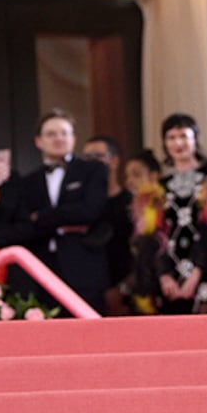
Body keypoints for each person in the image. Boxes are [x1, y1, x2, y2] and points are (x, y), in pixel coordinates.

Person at [0, 110, 108, 310]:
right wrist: (64, 221)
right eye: (51, 134)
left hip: (83, 268)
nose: (58, 138)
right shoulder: (28, 182)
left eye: (64, 133)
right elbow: (25, 224)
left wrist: (42, 216)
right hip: (40, 271)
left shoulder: (92, 170)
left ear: (73, 138)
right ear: (38, 141)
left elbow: (89, 211)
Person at [154, 113, 207, 314]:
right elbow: (156, 233)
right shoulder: (159, 187)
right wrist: (163, 274)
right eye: (171, 137)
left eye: (184, 136)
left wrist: (196, 273)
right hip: (171, 269)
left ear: (196, 138)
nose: (178, 143)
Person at [80, 135, 133, 316]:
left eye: (97, 156)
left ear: (115, 161)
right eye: (86, 158)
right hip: (88, 292)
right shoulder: (80, 207)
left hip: (126, 295)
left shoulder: (131, 203)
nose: (91, 163)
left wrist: (124, 287)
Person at [121, 151, 166, 314]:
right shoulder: (134, 209)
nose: (130, 181)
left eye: (137, 175)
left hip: (160, 279)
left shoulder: (163, 205)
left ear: (154, 176)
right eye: (127, 176)